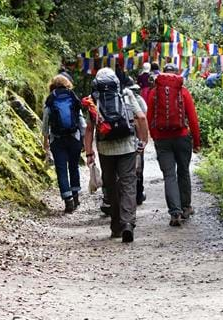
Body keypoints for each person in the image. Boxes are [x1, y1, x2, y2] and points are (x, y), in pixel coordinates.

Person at [84, 68, 149, 243]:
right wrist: (144, 140)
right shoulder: (126, 94)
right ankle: (128, 223)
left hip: (105, 148)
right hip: (127, 146)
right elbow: (141, 117)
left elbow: (89, 129)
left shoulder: (94, 99)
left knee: (110, 186)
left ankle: (116, 226)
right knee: (128, 183)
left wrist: (89, 153)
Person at [147, 63, 201, 227]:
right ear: (177, 75)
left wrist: (156, 137)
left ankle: (175, 213)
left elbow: (149, 118)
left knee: (169, 176)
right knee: (183, 171)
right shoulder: (183, 92)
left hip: (162, 140)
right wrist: (197, 142)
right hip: (182, 137)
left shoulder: (154, 93)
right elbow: (192, 119)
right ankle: (186, 207)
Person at [42, 74, 86, 213]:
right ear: (67, 84)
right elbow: (82, 122)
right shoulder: (72, 98)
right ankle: (76, 196)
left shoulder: (51, 100)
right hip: (74, 138)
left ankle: (68, 201)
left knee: (61, 169)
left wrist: (46, 142)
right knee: (73, 167)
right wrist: (83, 140)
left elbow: (45, 124)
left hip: (57, 139)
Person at [124, 76, 148, 205]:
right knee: (138, 168)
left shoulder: (114, 98)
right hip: (136, 137)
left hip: (119, 137)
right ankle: (138, 194)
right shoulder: (138, 99)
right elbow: (143, 115)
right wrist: (144, 139)